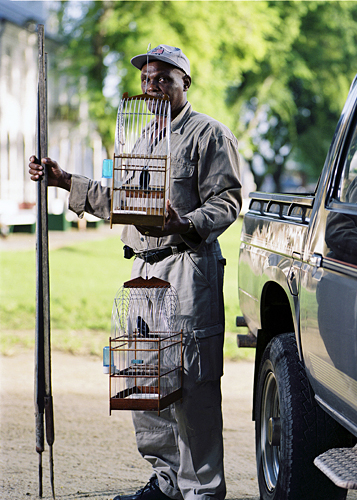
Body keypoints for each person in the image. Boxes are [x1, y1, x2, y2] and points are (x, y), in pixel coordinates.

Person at [29, 45, 242, 500]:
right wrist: (66, 180)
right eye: (147, 79)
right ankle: (167, 484)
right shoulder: (138, 139)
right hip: (142, 274)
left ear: (186, 82)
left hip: (187, 267)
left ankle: (202, 492)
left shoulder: (209, 135)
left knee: (190, 385)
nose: (153, 86)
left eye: (164, 78)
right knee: (147, 382)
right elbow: (120, 201)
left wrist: (183, 222)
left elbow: (227, 203)